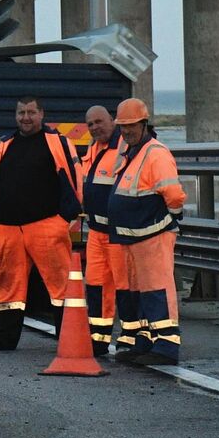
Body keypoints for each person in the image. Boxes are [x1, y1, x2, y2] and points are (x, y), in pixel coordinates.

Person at [0, 96, 82, 352]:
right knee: (8, 289)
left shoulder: (58, 143)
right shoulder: (4, 144)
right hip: (6, 228)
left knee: (59, 286)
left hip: (46, 225)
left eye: (31, 112)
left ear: (42, 114)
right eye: (21, 113)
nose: (25, 118)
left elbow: (74, 178)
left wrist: (66, 218)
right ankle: (6, 338)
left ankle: (68, 339)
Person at [107, 98, 187, 366]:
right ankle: (146, 341)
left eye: (131, 125)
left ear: (143, 124)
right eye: (123, 126)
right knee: (141, 290)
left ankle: (166, 345)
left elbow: (174, 194)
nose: (126, 131)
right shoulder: (131, 151)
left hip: (152, 233)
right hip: (134, 235)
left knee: (157, 288)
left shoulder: (156, 153)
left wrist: (171, 217)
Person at [80, 104, 131, 359]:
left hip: (118, 234)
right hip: (96, 232)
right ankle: (98, 339)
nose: (95, 128)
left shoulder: (123, 148)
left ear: (112, 120)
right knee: (97, 286)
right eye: (90, 124)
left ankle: (129, 339)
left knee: (124, 287)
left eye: (99, 122)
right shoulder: (93, 149)